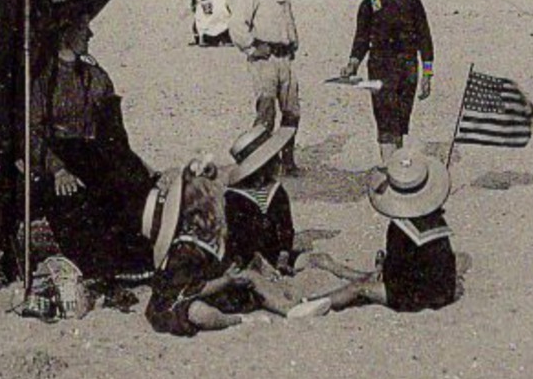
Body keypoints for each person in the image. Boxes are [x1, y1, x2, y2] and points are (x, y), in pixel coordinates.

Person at [28, 0, 157, 282]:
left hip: (93, 155)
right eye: (83, 27)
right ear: (65, 31)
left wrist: (137, 166)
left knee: (131, 182)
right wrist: (57, 168)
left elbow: (115, 136)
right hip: (59, 158)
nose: (90, 33)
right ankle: (100, 266)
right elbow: (31, 134)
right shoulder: (42, 81)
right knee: (71, 196)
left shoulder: (96, 77)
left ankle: (132, 258)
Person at [143, 164, 328, 336]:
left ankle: (289, 308)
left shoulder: (201, 241)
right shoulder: (184, 251)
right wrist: (226, 280)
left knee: (250, 276)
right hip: (179, 302)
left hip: (210, 288)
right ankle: (235, 320)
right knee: (200, 313)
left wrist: (233, 274)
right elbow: (193, 289)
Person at [298, 147, 459, 314]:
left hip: (417, 296)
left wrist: (381, 268)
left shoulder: (400, 228)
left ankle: (311, 303)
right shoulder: (435, 217)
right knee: (370, 279)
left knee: (359, 288)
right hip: (444, 291)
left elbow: (393, 275)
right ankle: (332, 268)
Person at [340, 0, 434, 165]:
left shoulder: (413, 3)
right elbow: (361, 39)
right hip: (380, 68)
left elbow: (425, 40)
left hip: (409, 68)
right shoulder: (370, 3)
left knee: (401, 120)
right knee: (385, 117)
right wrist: (352, 64)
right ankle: (390, 168)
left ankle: (397, 168)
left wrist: (427, 74)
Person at [229, 0, 300, 172]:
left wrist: (293, 43)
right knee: (266, 111)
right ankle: (261, 162)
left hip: (285, 60)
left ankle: (287, 159)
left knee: (292, 111)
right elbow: (237, 25)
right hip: (264, 62)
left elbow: (288, 22)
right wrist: (251, 48)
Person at [223, 122, 297, 268]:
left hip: (275, 255)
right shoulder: (234, 198)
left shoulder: (276, 190)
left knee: (320, 259)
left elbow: (286, 227)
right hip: (248, 260)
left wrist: (284, 254)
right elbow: (235, 241)